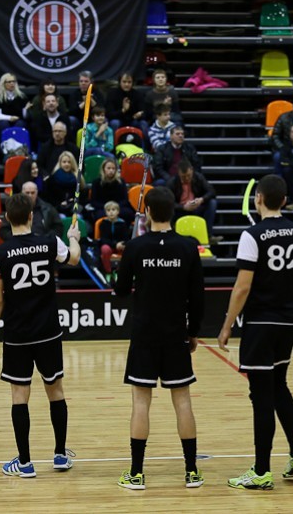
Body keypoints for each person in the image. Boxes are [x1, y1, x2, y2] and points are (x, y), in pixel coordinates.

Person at [217, 174, 293, 490]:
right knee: (279, 385)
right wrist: (281, 281)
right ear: (284, 200)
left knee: (261, 396)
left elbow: (242, 287)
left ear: (258, 198)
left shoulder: (252, 234)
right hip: (288, 321)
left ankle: (261, 471)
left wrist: (227, 325)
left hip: (260, 323)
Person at [0, 193, 81, 478]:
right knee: (56, 391)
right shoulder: (51, 242)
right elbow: (74, 258)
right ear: (31, 216)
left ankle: (25, 463)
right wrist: (73, 237)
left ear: (6, 219)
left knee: (19, 396)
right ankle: (60, 455)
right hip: (48, 331)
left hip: (18, 334)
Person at [113, 186, 205, 490]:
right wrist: (193, 332)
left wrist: (123, 265)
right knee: (183, 400)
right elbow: (198, 297)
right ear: (173, 211)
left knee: (141, 402)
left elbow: (120, 290)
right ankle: (192, 472)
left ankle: (136, 474)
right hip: (176, 333)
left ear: (148, 212)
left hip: (145, 335)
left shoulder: (136, 246)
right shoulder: (188, 247)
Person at [168, 160, 219, 242]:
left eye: (189, 175)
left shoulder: (198, 177)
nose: (187, 178)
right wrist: (183, 207)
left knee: (212, 203)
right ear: (178, 173)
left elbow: (212, 191)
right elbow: (168, 202)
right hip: (180, 210)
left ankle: (208, 235)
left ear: (192, 170)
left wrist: (201, 199)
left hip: (196, 207)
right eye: (183, 177)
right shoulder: (172, 182)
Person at [89, 158, 132, 223]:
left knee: (128, 213)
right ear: (103, 169)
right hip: (102, 208)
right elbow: (94, 201)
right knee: (98, 216)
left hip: (118, 207)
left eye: (113, 168)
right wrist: (108, 208)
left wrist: (115, 208)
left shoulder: (121, 182)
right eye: (108, 168)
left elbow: (125, 200)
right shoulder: (96, 182)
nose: (111, 170)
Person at [45, 151, 83, 217]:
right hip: (57, 208)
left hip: (74, 208)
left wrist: (72, 201)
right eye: (64, 162)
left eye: (69, 162)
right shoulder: (52, 179)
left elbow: (82, 196)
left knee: (78, 217)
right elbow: (49, 198)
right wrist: (59, 204)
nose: (66, 164)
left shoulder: (78, 178)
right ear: (60, 163)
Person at [98, 200, 129, 279]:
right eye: (108, 210)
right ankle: (108, 271)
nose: (111, 212)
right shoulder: (103, 223)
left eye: (113, 210)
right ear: (105, 212)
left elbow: (126, 238)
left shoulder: (123, 223)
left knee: (128, 248)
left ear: (118, 211)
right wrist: (115, 245)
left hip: (120, 246)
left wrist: (122, 244)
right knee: (104, 249)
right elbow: (103, 239)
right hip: (109, 246)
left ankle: (119, 271)